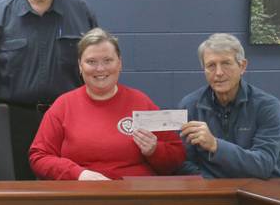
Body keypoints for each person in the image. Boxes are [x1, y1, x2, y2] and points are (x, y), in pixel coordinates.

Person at [0, 0, 97, 179]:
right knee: (18, 196)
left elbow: (98, 71)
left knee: (66, 191)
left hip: (69, 121)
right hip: (14, 122)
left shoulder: (80, 13)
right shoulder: (0, 16)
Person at [29, 28, 185, 180]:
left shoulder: (141, 102)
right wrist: (78, 174)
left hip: (134, 198)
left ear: (119, 63)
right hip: (82, 196)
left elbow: (177, 156)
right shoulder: (64, 105)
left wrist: (155, 150)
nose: (100, 69)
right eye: (91, 62)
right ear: (80, 66)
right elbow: (39, 157)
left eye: (107, 60)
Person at [178, 33, 280, 178]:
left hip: (261, 191)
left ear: (242, 66)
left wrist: (215, 145)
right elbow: (183, 163)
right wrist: (214, 185)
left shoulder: (267, 106)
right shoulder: (189, 106)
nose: (219, 73)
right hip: (212, 191)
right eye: (211, 65)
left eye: (226, 63)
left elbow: (263, 165)